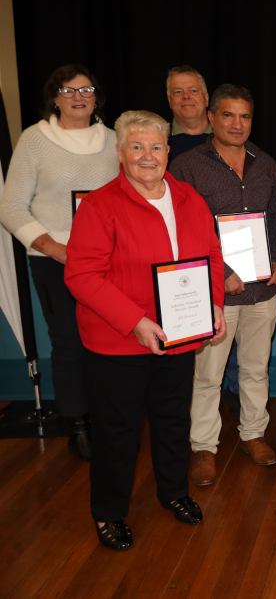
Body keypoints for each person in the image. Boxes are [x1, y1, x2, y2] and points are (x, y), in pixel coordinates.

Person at [64, 111, 227, 551]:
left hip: (179, 335)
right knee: (118, 432)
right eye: (136, 147)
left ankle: (173, 492)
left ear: (169, 150)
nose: (147, 156)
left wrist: (214, 303)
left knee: (173, 421)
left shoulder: (189, 197)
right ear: (120, 152)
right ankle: (109, 513)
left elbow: (212, 253)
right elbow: (82, 276)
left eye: (156, 146)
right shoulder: (100, 206)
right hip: (118, 341)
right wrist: (135, 322)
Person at [0, 64, 119, 462]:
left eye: (85, 89)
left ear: (96, 96)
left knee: (110, 341)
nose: (78, 96)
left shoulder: (115, 140)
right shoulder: (35, 140)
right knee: (69, 343)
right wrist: (52, 246)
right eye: (68, 91)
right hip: (56, 259)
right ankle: (77, 425)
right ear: (54, 98)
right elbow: (11, 207)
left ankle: (108, 420)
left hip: (108, 260)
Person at [169, 84, 276, 484]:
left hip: (261, 290)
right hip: (213, 293)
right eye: (229, 115)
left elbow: (274, 219)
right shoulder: (185, 166)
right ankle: (203, 447)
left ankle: (253, 434)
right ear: (212, 117)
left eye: (245, 116)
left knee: (255, 370)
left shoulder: (266, 164)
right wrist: (220, 275)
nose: (237, 124)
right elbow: (182, 231)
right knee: (208, 375)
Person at [165, 65, 212, 162]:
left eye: (193, 91)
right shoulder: (159, 141)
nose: (186, 96)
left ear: (206, 98)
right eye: (178, 92)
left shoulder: (227, 138)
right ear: (170, 101)